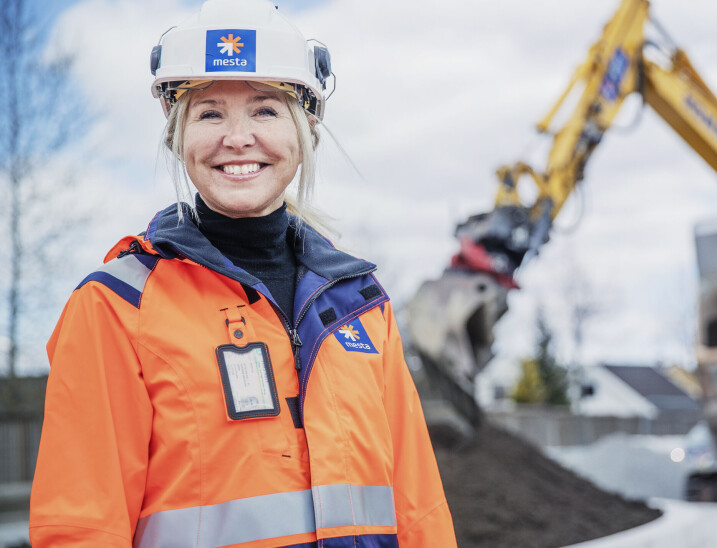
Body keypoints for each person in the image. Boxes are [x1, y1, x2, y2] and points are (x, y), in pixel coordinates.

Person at [29, 1, 457, 546]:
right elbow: (80, 530)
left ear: (305, 130)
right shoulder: (115, 306)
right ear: (178, 137)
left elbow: (422, 514)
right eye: (209, 113)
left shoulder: (362, 304)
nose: (237, 138)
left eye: (265, 110)